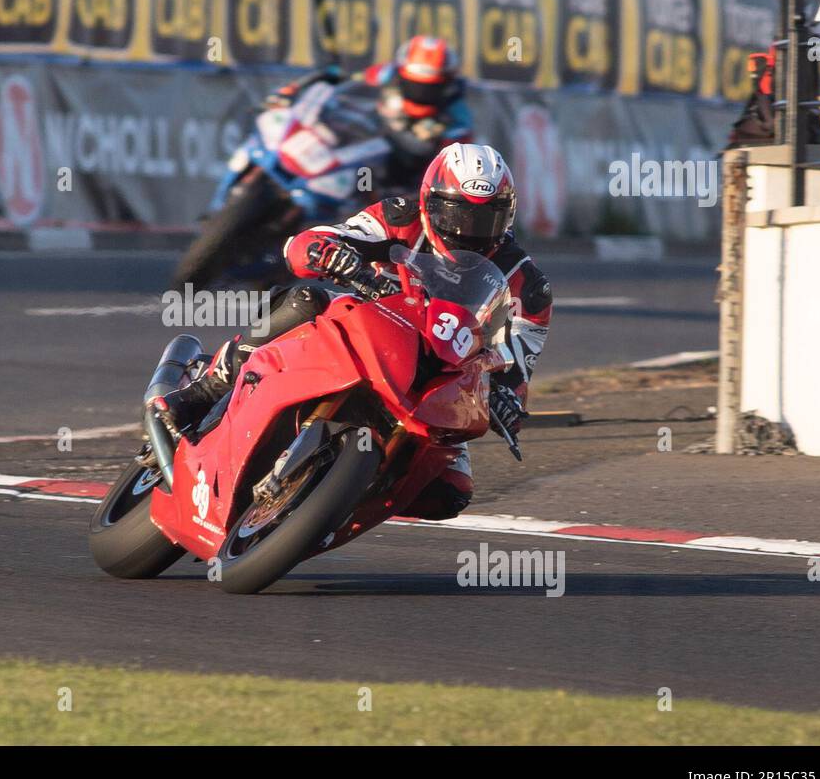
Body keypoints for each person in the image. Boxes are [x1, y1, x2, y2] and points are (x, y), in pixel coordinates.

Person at [150, 142, 552, 521]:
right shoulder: (399, 217)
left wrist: (505, 401)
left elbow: (518, 367)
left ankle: (329, 504)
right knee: (306, 299)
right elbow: (308, 243)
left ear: (508, 217)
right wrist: (328, 252)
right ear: (430, 200)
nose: (468, 230)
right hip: (370, 329)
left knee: (448, 492)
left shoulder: (527, 284)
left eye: (485, 218)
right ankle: (208, 389)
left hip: (438, 376)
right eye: (457, 214)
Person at [264, 35, 474, 186]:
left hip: (395, 170)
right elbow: (349, 80)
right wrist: (299, 88)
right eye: (414, 82)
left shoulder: (457, 118)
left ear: (447, 81)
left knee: (372, 191)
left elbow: (450, 170)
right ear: (402, 71)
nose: (422, 90)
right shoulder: (386, 74)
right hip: (360, 138)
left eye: (431, 84)